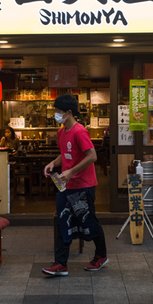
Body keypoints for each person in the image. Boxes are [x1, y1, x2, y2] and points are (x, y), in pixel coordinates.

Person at [42, 94, 107, 276]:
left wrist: (71, 172)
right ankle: (60, 263)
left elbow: (92, 156)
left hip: (84, 185)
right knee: (63, 219)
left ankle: (101, 255)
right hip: (66, 186)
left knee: (89, 221)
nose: (56, 114)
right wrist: (53, 163)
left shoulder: (80, 131)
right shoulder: (62, 132)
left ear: (69, 112)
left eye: (58, 111)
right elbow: (65, 154)